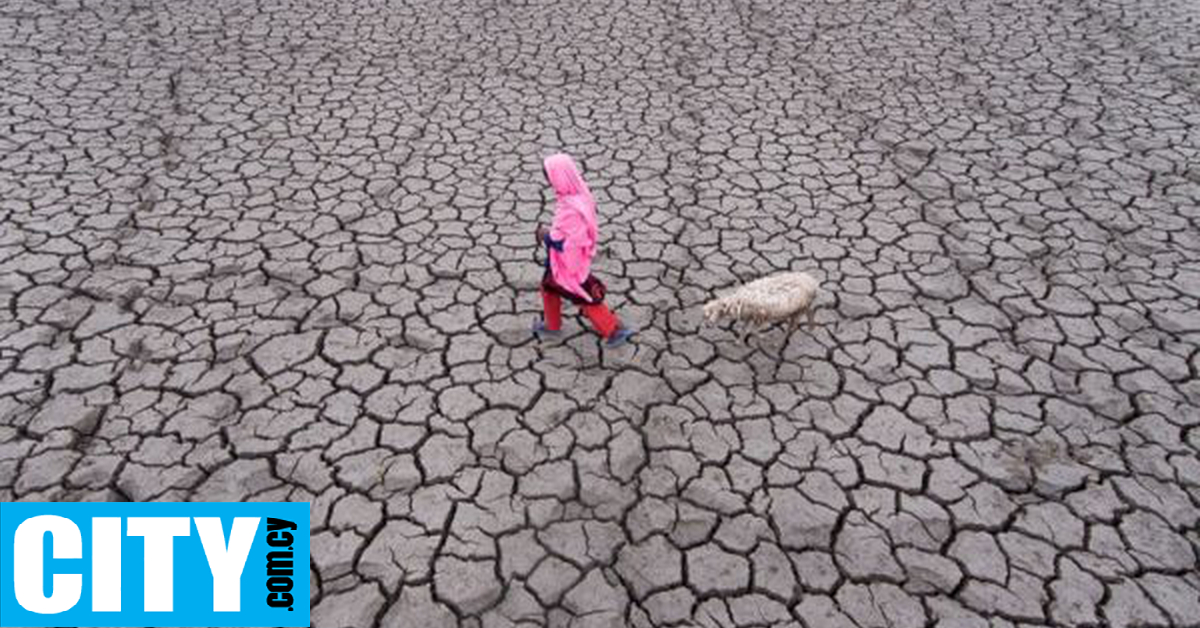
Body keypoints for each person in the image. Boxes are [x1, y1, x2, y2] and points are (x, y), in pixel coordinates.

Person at [532, 153, 635, 347]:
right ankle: (552, 325)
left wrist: (544, 235)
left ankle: (615, 331)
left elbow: (563, 241)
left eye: (550, 176)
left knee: (583, 295)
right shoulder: (579, 195)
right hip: (564, 260)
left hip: (568, 263)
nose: (549, 181)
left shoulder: (570, 208)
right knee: (548, 286)